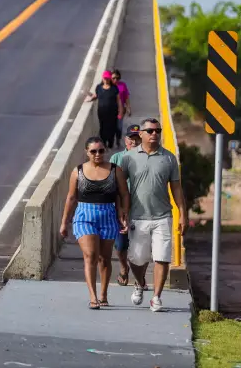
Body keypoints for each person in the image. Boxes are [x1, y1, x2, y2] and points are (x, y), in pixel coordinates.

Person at [119, 117, 188, 312]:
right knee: (137, 259)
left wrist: (183, 214)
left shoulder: (169, 158)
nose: (154, 134)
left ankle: (156, 297)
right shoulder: (129, 158)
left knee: (162, 258)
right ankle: (140, 282)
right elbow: (121, 188)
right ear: (141, 134)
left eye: (158, 131)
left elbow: (176, 188)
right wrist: (122, 211)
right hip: (138, 217)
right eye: (150, 131)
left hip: (163, 217)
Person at [60, 136, 130, 309]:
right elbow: (71, 197)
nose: (97, 154)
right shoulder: (78, 171)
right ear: (87, 152)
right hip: (85, 216)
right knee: (91, 255)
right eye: (93, 151)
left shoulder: (115, 170)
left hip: (108, 216)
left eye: (101, 151)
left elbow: (124, 194)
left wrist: (123, 212)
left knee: (104, 259)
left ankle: (103, 294)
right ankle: (93, 297)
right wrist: (64, 222)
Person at [109, 124, 142, 287]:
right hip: (120, 208)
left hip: (141, 209)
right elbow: (110, 184)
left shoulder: (146, 158)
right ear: (125, 140)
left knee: (140, 246)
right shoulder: (116, 159)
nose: (134, 142)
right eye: (131, 138)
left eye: (137, 139)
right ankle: (123, 268)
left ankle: (139, 276)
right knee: (121, 245)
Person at [86, 70, 123, 149]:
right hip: (102, 113)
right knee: (103, 128)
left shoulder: (114, 88)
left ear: (110, 79)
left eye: (107, 78)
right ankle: (104, 143)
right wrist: (90, 99)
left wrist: (120, 111)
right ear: (103, 78)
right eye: (105, 78)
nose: (106, 80)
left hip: (113, 113)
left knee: (112, 128)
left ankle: (110, 143)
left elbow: (119, 100)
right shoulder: (98, 87)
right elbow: (96, 96)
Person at [111, 69, 132, 148]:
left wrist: (128, 108)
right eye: (113, 78)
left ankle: (118, 141)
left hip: (121, 110)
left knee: (119, 126)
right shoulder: (109, 86)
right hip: (110, 110)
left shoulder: (122, 85)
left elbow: (126, 97)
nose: (115, 80)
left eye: (117, 78)